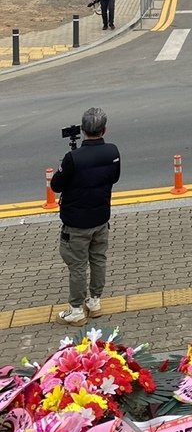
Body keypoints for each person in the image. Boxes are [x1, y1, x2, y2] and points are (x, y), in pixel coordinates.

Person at [51, 107, 121, 324]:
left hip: (76, 223)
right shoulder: (113, 152)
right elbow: (114, 178)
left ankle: (76, 310)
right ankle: (95, 301)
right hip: (101, 218)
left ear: (82, 130)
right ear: (104, 130)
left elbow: (56, 185)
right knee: (98, 259)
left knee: (78, 265)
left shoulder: (73, 158)